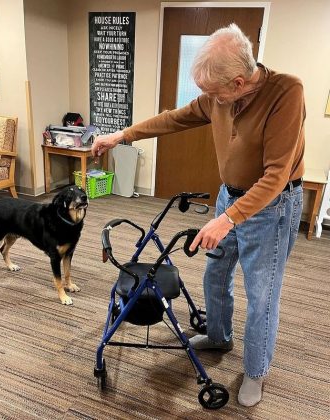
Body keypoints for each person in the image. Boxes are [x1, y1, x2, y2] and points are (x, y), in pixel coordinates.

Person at [91, 23, 305, 407]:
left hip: (272, 207)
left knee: (262, 295)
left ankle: (256, 371)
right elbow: (173, 118)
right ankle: (219, 336)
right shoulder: (217, 98)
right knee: (215, 272)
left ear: (239, 83)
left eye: (213, 92)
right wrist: (122, 135)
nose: (207, 99)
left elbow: (276, 176)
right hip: (230, 198)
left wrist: (226, 220)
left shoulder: (286, 93)